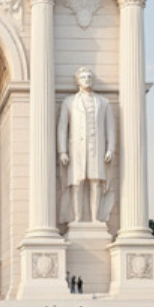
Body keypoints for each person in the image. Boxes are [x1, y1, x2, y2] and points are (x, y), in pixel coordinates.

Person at [57, 67, 116, 224]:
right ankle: (77, 218)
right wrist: (62, 151)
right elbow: (62, 127)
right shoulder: (69, 102)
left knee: (95, 182)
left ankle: (96, 218)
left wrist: (111, 148)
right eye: (83, 77)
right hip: (76, 150)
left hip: (97, 149)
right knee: (77, 183)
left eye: (89, 77)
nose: (87, 79)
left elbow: (110, 127)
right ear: (77, 81)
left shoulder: (103, 102)